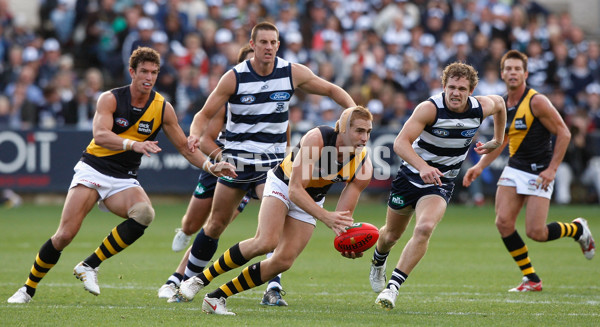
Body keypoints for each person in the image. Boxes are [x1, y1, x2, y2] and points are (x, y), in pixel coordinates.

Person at [6, 47, 236, 304]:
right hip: (93, 170)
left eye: (154, 72)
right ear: (132, 72)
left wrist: (209, 167)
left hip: (123, 178)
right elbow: (100, 134)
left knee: (145, 214)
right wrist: (133, 144)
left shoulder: (162, 107)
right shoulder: (111, 98)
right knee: (65, 235)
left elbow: (184, 147)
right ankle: (27, 289)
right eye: (144, 72)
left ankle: (89, 265)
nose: (149, 77)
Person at [172, 22, 356, 307]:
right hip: (236, 163)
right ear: (253, 44)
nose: (269, 47)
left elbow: (331, 90)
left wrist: (352, 115)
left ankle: (272, 287)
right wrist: (195, 135)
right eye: (264, 42)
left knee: (274, 231)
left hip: (271, 168)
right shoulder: (234, 77)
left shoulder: (292, 72)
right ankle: (185, 282)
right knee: (216, 224)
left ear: (278, 45)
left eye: (274, 42)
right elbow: (203, 114)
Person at [179, 106, 374, 315]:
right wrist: (326, 217)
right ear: (343, 129)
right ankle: (200, 279)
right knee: (266, 241)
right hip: (283, 184)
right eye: (359, 131)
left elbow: (342, 217)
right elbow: (295, 190)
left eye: (368, 132)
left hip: (312, 199)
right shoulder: (316, 139)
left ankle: (217, 297)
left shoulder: (364, 166)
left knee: (283, 261)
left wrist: (349, 242)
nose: (364, 138)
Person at [369, 62, 507, 310]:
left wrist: (497, 139)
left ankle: (393, 288)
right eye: (451, 87)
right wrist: (422, 166)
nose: (455, 93)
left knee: (424, 229)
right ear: (444, 86)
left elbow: (500, 104)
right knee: (391, 235)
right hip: (409, 177)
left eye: (462, 88)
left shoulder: (480, 107)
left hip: (441, 183)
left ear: (471, 91)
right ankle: (378, 261)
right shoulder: (429, 109)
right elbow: (400, 143)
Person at [158, 44, 287, 306]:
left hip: (261, 170)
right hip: (226, 164)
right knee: (199, 225)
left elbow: (284, 138)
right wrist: (223, 161)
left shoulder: (276, 98)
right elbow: (206, 139)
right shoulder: (227, 97)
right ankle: (181, 264)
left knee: (275, 218)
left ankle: (272, 286)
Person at [462, 50, 595, 292]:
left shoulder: (537, 101)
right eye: (508, 69)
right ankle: (531, 279)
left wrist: (553, 169)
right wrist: (479, 167)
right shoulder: (502, 104)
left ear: (526, 73)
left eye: (517, 69)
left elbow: (564, 133)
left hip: (539, 171)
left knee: (537, 232)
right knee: (503, 223)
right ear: (502, 73)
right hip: (515, 168)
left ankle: (578, 229)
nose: (512, 73)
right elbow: (501, 141)